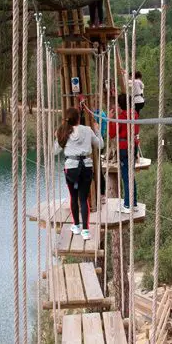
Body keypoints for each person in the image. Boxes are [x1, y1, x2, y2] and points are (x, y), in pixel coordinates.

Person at [54, 107, 104, 240]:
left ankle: (76, 226)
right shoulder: (87, 130)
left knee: (73, 197)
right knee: (83, 199)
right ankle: (86, 231)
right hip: (86, 166)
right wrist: (97, 130)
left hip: (71, 168)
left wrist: (56, 137)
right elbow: (100, 145)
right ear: (78, 118)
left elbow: (54, 151)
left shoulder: (63, 132)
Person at [109, 94, 139, 214]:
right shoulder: (135, 114)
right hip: (133, 146)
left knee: (126, 177)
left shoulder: (122, 117)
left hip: (124, 148)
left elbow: (112, 134)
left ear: (120, 105)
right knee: (131, 175)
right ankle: (134, 203)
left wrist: (111, 118)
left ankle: (127, 205)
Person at [92, 107, 108, 203]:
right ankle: (98, 193)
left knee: (97, 168)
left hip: (97, 144)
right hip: (97, 143)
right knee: (97, 168)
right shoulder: (99, 113)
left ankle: (101, 193)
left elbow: (99, 130)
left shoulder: (99, 115)